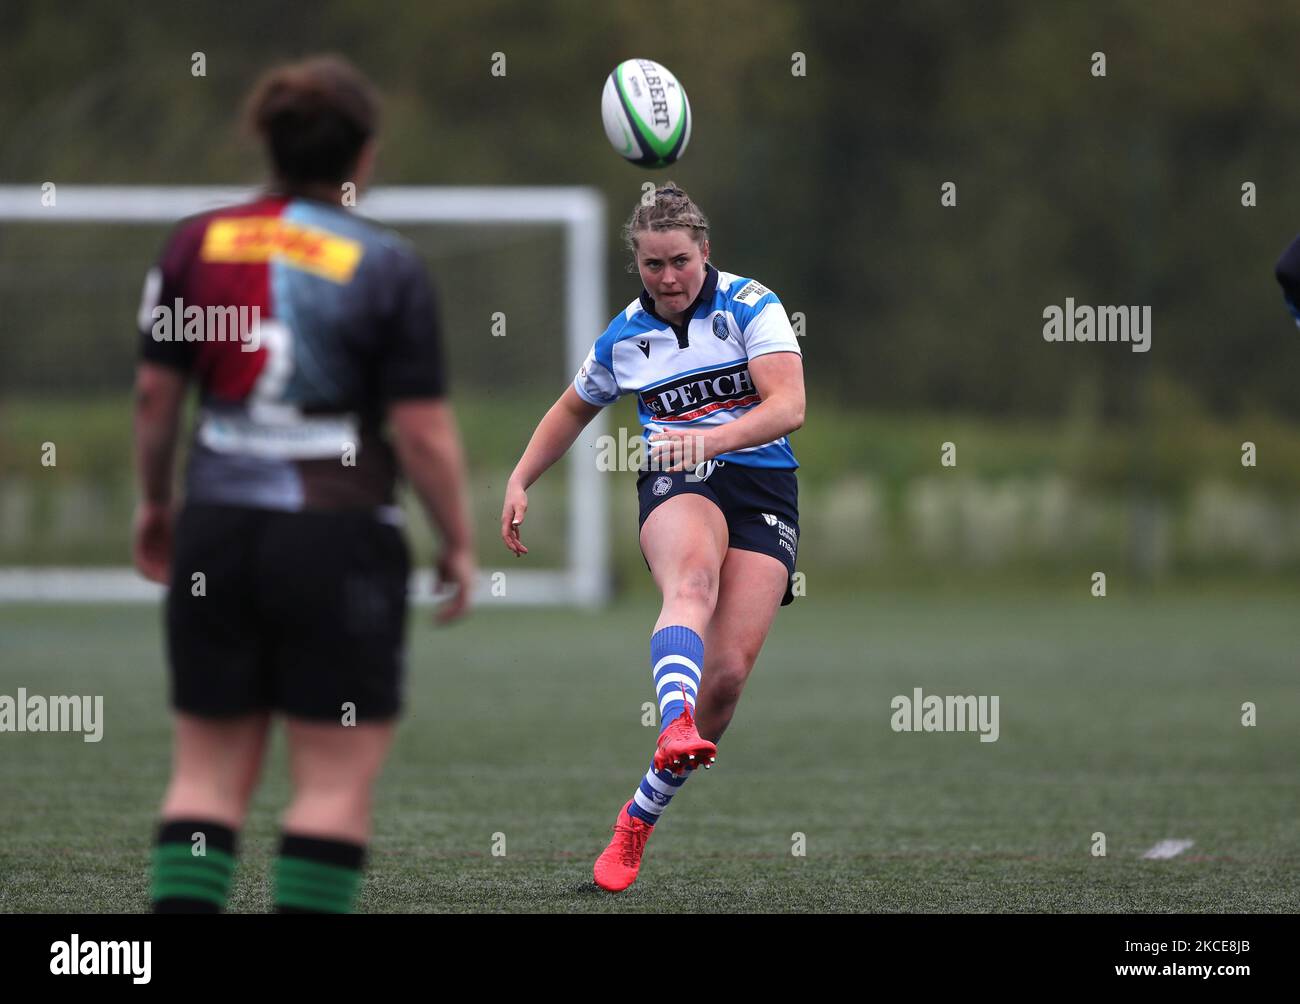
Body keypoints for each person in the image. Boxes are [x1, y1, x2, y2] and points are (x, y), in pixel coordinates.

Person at [133, 55, 475, 914]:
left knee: (204, 783)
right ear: (364, 154)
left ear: (268, 143)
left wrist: (156, 504)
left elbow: (154, 397)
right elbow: (424, 432)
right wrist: (459, 540)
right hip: (339, 536)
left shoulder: (193, 244)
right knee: (329, 788)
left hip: (217, 526)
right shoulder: (386, 264)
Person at [500, 183, 805, 891]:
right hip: (676, 480)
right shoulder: (623, 337)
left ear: (706, 254)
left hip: (763, 487)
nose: (667, 278)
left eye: (679, 262)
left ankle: (638, 818)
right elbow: (572, 409)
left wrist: (715, 440)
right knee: (692, 580)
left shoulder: (751, 305)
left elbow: (790, 405)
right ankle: (673, 724)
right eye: (652, 265)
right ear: (635, 264)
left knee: (726, 680)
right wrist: (520, 478)